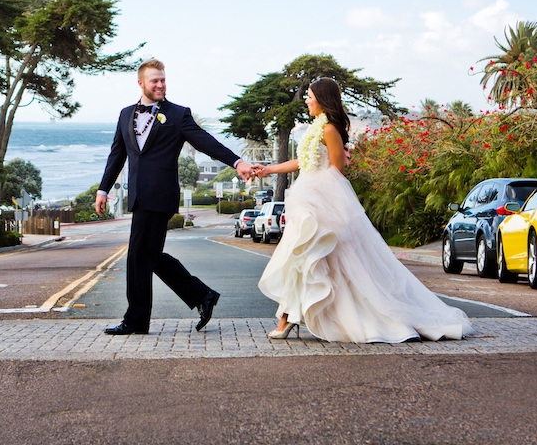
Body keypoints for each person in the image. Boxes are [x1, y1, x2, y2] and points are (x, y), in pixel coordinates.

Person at [253, 78, 475, 343]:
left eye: (310, 95)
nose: (306, 100)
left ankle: (291, 319)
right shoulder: (315, 129)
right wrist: (268, 169)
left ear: (322, 98)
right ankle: (289, 318)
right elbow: (302, 162)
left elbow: (337, 171)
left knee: (309, 259)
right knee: (302, 260)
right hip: (306, 202)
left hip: (321, 204)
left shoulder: (330, 130)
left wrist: (323, 201)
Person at [96, 58, 255, 335]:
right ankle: (201, 295)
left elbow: (206, 142)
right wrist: (103, 189)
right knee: (148, 257)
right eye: (154, 80)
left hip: (160, 195)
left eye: (163, 80)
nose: (160, 85)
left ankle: (137, 321)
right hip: (137, 197)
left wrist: (237, 162)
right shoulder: (125, 115)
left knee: (137, 257)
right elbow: (117, 155)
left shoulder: (178, 114)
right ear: (141, 83)